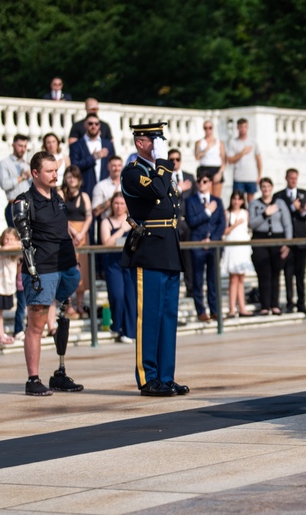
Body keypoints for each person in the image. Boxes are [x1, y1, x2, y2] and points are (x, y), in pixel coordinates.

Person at [120, 122, 188, 397]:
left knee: (168, 317)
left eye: (161, 139)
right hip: (148, 251)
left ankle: (166, 375)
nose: (160, 144)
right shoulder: (133, 173)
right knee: (149, 318)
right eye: (155, 139)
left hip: (168, 250)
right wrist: (162, 161)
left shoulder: (160, 171)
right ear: (141, 143)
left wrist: (162, 164)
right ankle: (148, 377)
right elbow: (159, 192)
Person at [12, 151, 83, 396]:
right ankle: (33, 379)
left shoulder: (59, 197)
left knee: (62, 317)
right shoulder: (24, 201)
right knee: (36, 325)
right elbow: (24, 240)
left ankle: (60, 374)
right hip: (42, 269)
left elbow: (61, 226)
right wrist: (32, 273)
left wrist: (73, 240)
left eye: (56, 170)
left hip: (66, 267)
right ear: (35, 173)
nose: (55, 175)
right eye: (50, 171)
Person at [186, 168, 226, 322]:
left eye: (205, 181)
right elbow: (191, 221)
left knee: (213, 279)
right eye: (199, 181)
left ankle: (215, 310)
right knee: (197, 279)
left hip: (214, 245)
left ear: (210, 183)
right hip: (197, 243)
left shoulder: (218, 201)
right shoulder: (191, 201)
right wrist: (207, 212)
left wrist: (213, 239)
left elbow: (221, 224)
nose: (202, 184)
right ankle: (200, 310)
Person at [248, 177, 291, 316]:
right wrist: (265, 214)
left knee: (276, 273)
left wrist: (287, 243)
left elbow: (287, 224)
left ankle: (275, 304)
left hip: (277, 239)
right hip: (260, 240)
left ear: (272, 188)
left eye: (268, 186)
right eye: (263, 187)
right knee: (264, 273)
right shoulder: (254, 204)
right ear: (261, 189)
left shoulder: (280, 203)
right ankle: (265, 305)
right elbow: (252, 223)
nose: (266, 189)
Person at [274, 168, 306, 314]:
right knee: (288, 273)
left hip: (302, 240)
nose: (293, 180)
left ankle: (301, 303)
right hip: (288, 241)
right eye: (291, 178)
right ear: (286, 178)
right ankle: (290, 303)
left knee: (300, 274)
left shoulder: (305, 194)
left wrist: (302, 211)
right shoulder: (279, 196)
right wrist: (293, 208)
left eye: (295, 178)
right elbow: (279, 215)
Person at [99, 192, 136, 343]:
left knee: (131, 297)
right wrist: (122, 230)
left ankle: (129, 332)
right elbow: (107, 243)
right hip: (113, 263)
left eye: (122, 203)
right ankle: (118, 325)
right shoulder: (106, 222)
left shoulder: (132, 220)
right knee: (117, 295)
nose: (119, 207)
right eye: (116, 203)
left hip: (130, 261)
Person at [58, 166, 92, 319]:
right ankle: (68, 306)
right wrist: (73, 232)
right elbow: (61, 216)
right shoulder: (60, 194)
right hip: (66, 234)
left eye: (74, 177)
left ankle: (80, 305)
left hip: (82, 236)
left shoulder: (84, 196)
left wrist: (81, 233)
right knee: (68, 271)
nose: (71, 179)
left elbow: (89, 216)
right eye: (69, 176)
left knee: (82, 271)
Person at [168, 148, 197, 296]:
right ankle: (173, 289)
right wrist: (178, 189)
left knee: (188, 258)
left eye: (177, 159)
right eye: (171, 159)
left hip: (187, 223)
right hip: (171, 224)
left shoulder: (189, 177)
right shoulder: (164, 178)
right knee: (172, 257)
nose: (174, 162)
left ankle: (191, 288)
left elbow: (195, 200)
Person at [222, 190, 254, 317]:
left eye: (239, 199)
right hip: (232, 246)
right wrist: (235, 224)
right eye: (234, 199)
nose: (236, 202)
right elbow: (225, 231)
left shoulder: (245, 213)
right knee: (233, 279)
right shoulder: (227, 213)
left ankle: (242, 307)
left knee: (241, 278)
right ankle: (232, 309)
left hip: (243, 247)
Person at [69, 113, 114, 198]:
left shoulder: (108, 144)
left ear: (99, 125)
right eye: (90, 123)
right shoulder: (76, 145)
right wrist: (93, 158)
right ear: (85, 125)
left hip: (105, 190)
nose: (93, 126)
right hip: (85, 189)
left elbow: (113, 164)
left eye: (96, 124)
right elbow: (74, 167)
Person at [0, 228, 21, 347]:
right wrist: (14, 243)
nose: (9, 242)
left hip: (7, 285)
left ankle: (1, 333)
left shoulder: (15, 252)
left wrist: (17, 243)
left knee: (0, 311)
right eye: (6, 239)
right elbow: (3, 249)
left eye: (11, 239)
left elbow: (22, 246)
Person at [0, 134, 31, 228]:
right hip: (15, 206)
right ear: (13, 145)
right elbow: (4, 184)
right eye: (20, 146)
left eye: (25, 146)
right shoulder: (5, 163)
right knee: (16, 239)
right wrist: (22, 177)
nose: (23, 149)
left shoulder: (27, 164)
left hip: (30, 206)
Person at [227, 118, 263, 202]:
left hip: (251, 176)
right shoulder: (233, 142)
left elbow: (258, 159)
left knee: (251, 200)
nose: (243, 129)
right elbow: (230, 160)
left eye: (245, 127)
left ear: (247, 127)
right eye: (241, 127)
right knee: (239, 200)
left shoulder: (253, 142)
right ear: (237, 128)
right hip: (239, 177)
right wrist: (242, 153)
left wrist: (259, 175)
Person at [194, 120, 226, 198]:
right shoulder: (199, 142)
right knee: (206, 194)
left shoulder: (219, 142)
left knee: (216, 197)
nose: (208, 130)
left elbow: (224, 160)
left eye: (210, 128)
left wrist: (220, 173)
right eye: (206, 128)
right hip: (204, 169)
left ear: (213, 128)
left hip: (216, 169)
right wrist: (206, 149)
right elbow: (197, 156)